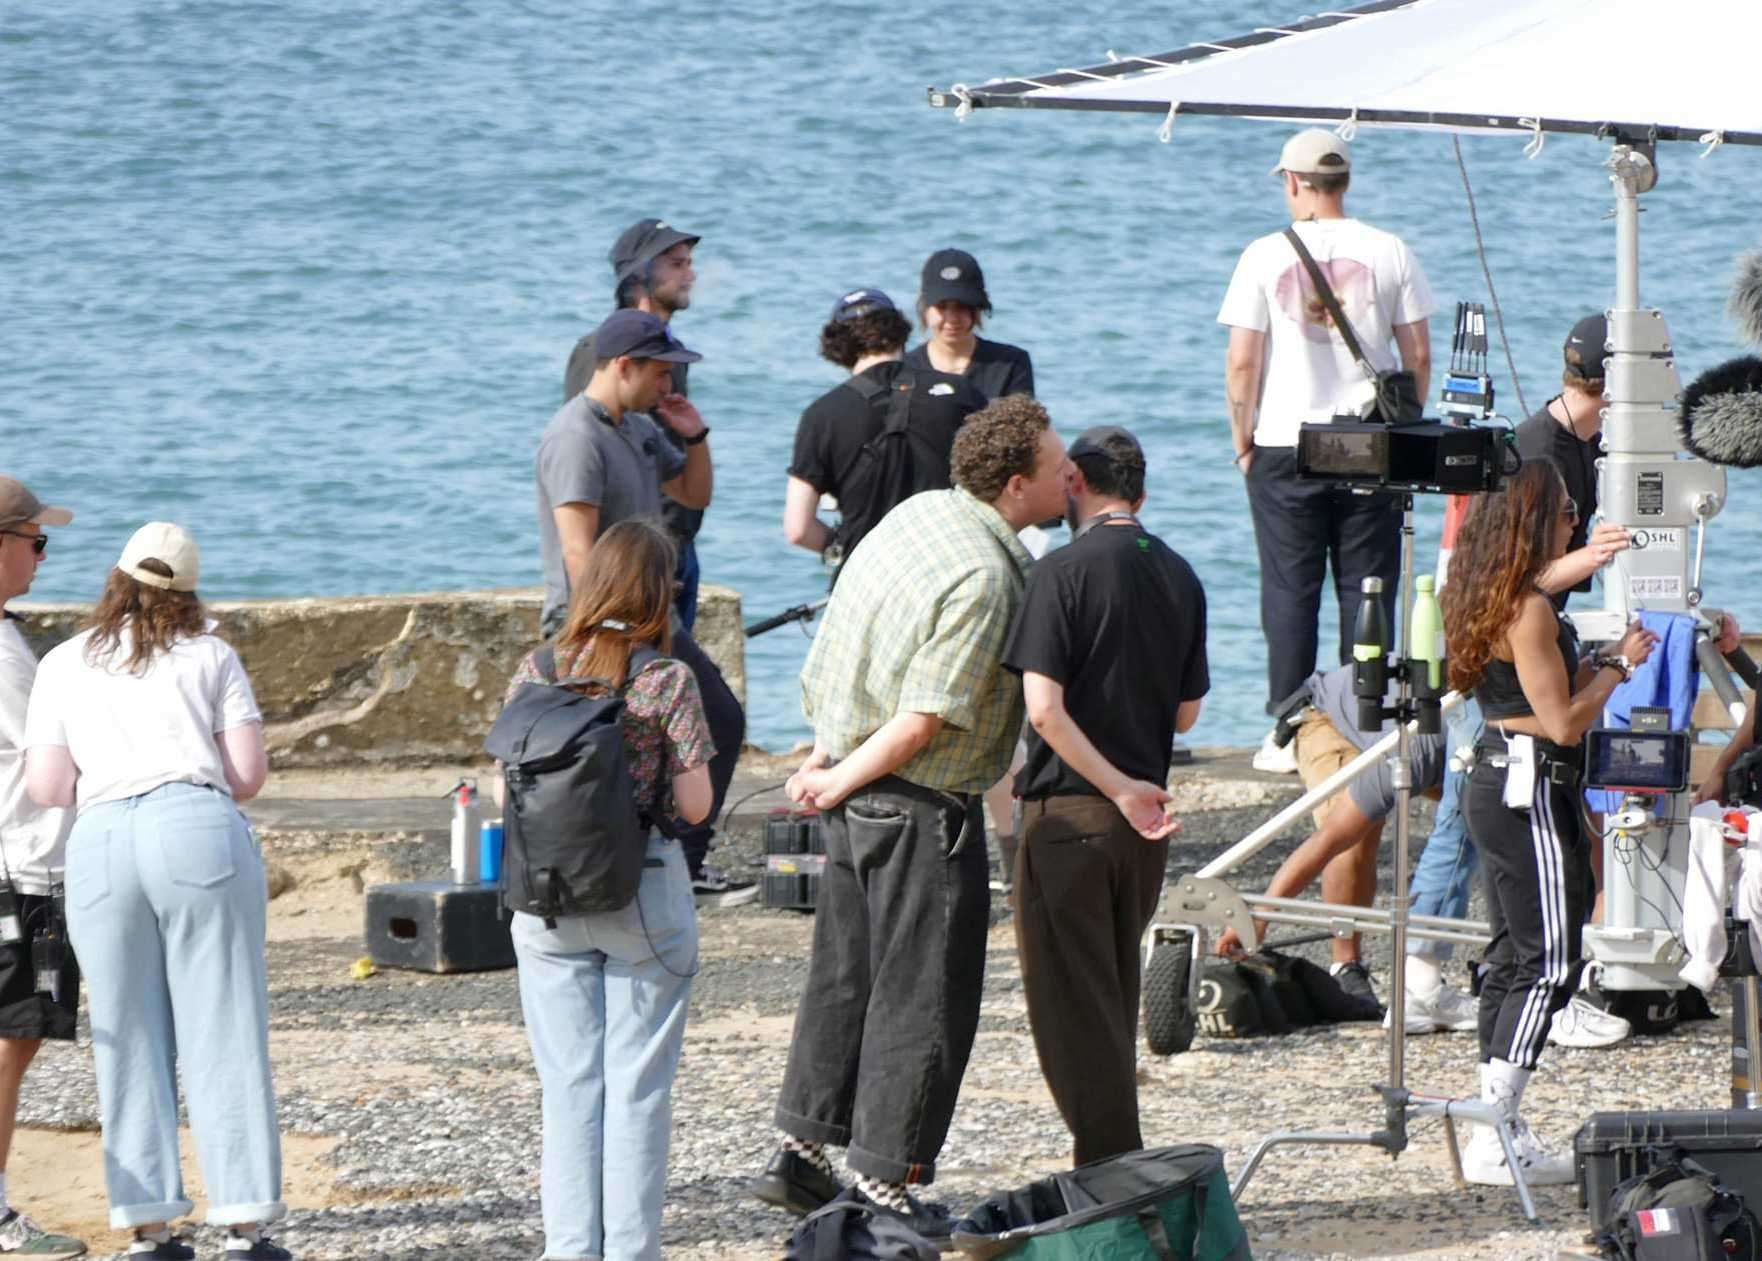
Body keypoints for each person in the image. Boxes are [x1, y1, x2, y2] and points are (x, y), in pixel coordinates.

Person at [751, 396, 1068, 1240]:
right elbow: (924, 717)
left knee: (844, 973)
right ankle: (887, 1181)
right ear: (1015, 485)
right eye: (1055, 465)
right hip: (918, 799)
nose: (1069, 473)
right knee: (924, 996)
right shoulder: (990, 575)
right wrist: (834, 777)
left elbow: (844, 639)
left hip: (852, 777)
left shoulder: (919, 513)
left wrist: (826, 762)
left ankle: (801, 1151)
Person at [24, 524, 289, 1260]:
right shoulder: (211, 654)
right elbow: (246, 777)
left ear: (115, 579)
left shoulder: (64, 661)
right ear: (189, 589)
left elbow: (48, 785)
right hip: (194, 825)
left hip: (102, 839)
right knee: (223, 1022)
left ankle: (148, 1227)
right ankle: (242, 1224)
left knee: (125, 1030)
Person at [1399, 313, 1637, 1046]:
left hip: (1524, 632)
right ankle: (1421, 969)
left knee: (1497, 833)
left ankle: (1499, 977)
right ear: (1611, 383)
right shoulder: (1539, 450)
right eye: (1565, 512)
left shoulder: (1585, 446)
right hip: (1509, 635)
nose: (1570, 515)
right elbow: (1511, 569)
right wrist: (1593, 567)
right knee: (1469, 815)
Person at [501, 520, 713, 1261]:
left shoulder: (535, 668)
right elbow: (694, 807)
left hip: (547, 895)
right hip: (642, 894)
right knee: (637, 1090)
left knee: (568, 1090)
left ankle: (569, 1251)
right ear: (661, 594)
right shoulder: (665, 678)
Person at [1441, 462, 1657, 1185]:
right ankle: (1497, 1125)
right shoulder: (1528, 609)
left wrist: (1586, 662)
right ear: (1539, 521)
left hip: (1497, 770)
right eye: (1568, 512)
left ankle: (1489, 1125)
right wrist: (1619, 668)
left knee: (1511, 955)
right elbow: (1564, 723)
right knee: (1552, 959)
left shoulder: (1489, 590)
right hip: (1525, 784)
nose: (1574, 520)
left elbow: (1517, 702)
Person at [1001, 425, 1207, 1166]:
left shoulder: (1060, 571)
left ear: (1077, 484)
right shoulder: (1180, 573)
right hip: (1143, 823)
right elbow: (1187, 713)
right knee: (1110, 998)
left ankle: (1114, 1171)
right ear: (1141, 492)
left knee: (1069, 1007)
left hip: (1076, 814)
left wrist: (1114, 785)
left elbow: (1045, 709)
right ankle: (1116, 1162)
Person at [1219, 128, 1434, 774]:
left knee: (1290, 589)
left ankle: (1289, 731)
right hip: (1371, 442)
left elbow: (1242, 364)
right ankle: (1362, 723)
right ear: (1345, 181)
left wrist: (1243, 438)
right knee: (1367, 584)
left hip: (1286, 441)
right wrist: (1403, 429)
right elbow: (1417, 354)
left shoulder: (1263, 254)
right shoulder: (1390, 250)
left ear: (1292, 182)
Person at [538, 308, 750, 907]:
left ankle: (679, 860)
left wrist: (695, 435)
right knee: (617, 744)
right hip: (597, 623)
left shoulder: (637, 426)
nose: (670, 387)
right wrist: (614, 638)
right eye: (662, 374)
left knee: (717, 720)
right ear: (624, 366)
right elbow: (580, 553)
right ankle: (647, 861)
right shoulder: (576, 437)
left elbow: (693, 494)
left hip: (651, 619)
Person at [1215, 663, 1444, 1020]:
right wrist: (1258, 918)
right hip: (1328, 720)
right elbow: (1329, 840)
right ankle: (1346, 965)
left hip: (1400, 720)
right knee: (1354, 838)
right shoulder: (1416, 753)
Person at [0, 478, 87, 1261]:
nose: (42, 554)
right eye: (34, 541)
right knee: (9, 1036)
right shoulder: (5, 655)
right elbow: (50, 760)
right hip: (19, 870)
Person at [563, 219, 709, 629]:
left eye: (689, 263)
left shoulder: (672, 353)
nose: (690, 274)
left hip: (676, 548)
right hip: (634, 564)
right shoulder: (600, 352)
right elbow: (588, 450)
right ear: (640, 273)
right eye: (677, 264)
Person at [784, 288, 985, 567]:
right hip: (953, 563)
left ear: (836, 346)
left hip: (867, 573)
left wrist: (840, 548)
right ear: (899, 331)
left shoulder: (820, 415)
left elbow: (798, 529)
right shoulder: (961, 392)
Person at [902, 248, 1034, 401]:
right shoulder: (903, 369)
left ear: (978, 308)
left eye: (962, 306)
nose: (952, 318)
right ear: (925, 308)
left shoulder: (1011, 364)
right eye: (942, 306)